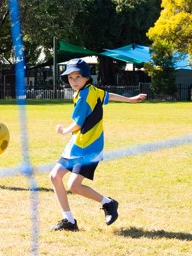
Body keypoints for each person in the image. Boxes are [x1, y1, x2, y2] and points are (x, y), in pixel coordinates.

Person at [49, 58, 146, 231]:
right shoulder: (89, 91)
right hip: (76, 144)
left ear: (86, 77)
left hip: (90, 148)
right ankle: (69, 221)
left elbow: (78, 123)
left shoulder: (86, 95)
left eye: (77, 77)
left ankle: (108, 203)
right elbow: (108, 95)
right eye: (70, 78)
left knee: (74, 186)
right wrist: (130, 99)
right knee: (55, 176)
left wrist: (64, 130)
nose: (74, 81)